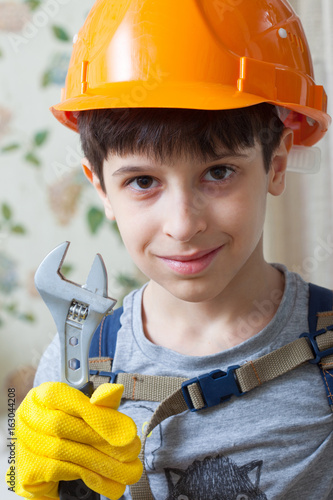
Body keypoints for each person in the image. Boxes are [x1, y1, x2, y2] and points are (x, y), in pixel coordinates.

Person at [7, 1, 333, 499]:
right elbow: (18, 474)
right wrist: (14, 473)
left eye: (218, 172)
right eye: (142, 181)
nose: (182, 225)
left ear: (276, 164)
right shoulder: (81, 356)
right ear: (100, 189)